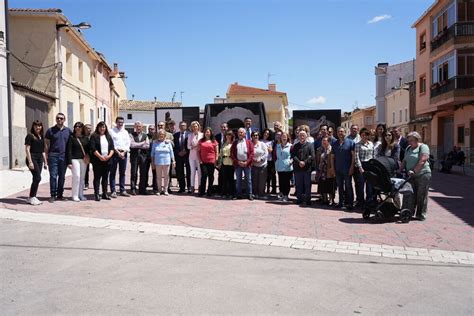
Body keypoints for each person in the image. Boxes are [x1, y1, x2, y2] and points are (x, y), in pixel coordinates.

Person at [400, 131, 431, 221]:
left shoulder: (423, 147)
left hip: (423, 174)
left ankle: (421, 214)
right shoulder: (408, 148)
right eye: (408, 140)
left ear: (417, 140)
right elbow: (404, 161)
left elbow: (423, 159)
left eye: (411, 140)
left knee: (421, 195)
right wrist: (399, 169)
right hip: (411, 175)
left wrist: (414, 170)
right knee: (409, 193)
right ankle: (408, 212)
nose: (409, 142)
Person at [45, 112, 72, 202]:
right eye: (58, 118)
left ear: (64, 120)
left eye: (61, 118)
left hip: (63, 157)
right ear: (56, 119)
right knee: (53, 176)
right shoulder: (50, 131)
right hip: (53, 156)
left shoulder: (68, 131)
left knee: (62, 177)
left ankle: (60, 195)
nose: (59, 120)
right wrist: (46, 159)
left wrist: (70, 160)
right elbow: (46, 145)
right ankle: (53, 195)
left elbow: (70, 146)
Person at [89, 121, 115, 201]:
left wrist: (109, 156)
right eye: (100, 127)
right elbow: (93, 148)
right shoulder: (94, 136)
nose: (102, 128)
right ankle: (96, 194)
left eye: (103, 127)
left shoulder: (108, 136)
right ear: (98, 128)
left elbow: (112, 148)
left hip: (107, 160)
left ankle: (104, 193)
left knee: (105, 177)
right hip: (97, 160)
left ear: (105, 128)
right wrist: (100, 156)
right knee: (97, 177)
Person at [24, 120, 48, 205]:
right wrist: (30, 162)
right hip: (32, 158)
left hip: (39, 159)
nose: (38, 127)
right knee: (38, 177)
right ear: (33, 127)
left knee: (36, 178)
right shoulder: (30, 136)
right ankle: (32, 197)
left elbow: (43, 151)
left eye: (39, 126)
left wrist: (45, 162)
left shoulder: (41, 136)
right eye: (36, 126)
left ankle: (32, 197)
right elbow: (27, 149)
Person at [333, 127, 355, 210]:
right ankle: (341, 203)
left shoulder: (351, 143)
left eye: (342, 131)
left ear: (345, 133)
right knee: (340, 186)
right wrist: (333, 168)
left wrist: (352, 167)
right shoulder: (335, 143)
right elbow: (332, 157)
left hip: (347, 168)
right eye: (339, 131)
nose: (340, 133)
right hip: (338, 169)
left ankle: (350, 203)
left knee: (348, 186)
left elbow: (353, 157)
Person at [67, 122, 90, 202]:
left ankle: (81, 194)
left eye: (79, 126)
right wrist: (69, 162)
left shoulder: (85, 138)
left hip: (83, 160)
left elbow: (88, 149)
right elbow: (69, 150)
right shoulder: (71, 137)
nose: (78, 128)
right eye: (76, 126)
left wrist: (88, 156)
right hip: (74, 159)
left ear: (82, 128)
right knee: (76, 176)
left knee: (82, 177)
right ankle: (75, 195)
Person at [291, 130, 315, 206]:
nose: (302, 137)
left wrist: (304, 162)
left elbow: (312, 156)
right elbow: (293, 155)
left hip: (307, 168)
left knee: (307, 185)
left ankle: (308, 199)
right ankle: (299, 199)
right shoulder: (295, 146)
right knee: (298, 185)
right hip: (298, 169)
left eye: (303, 135)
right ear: (298, 136)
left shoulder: (310, 145)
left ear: (306, 136)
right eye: (300, 135)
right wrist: (299, 162)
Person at [109, 116, 131, 197]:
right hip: (115, 154)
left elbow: (128, 143)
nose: (120, 124)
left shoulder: (125, 132)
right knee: (112, 173)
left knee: (122, 172)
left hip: (123, 154)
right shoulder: (111, 131)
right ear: (116, 122)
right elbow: (111, 143)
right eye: (119, 122)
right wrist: (118, 152)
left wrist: (124, 152)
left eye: (122, 122)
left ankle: (122, 190)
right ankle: (113, 191)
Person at [231, 127, 255, 200]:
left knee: (248, 180)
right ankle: (239, 194)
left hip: (247, 164)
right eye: (239, 132)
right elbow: (232, 154)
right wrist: (238, 162)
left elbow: (252, 153)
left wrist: (247, 162)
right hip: (238, 164)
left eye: (242, 132)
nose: (240, 134)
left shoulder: (249, 142)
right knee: (238, 180)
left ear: (245, 134)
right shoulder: (235, 143)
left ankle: (249, 194)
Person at [354, 128, 375, 209]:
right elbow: (356, 157)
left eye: (366, 135)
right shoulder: (357, 145)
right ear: (360, 135)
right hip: (361, 166)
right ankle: (361, 202)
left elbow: (373, 155)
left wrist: (373, 166)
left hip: (369, 166)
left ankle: (369, 202)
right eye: (363, 135)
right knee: (360, 185)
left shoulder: (371, 144)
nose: (364, 136)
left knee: (369, 185)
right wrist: (360, 167)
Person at [151, 129, 175, 196]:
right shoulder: (155, 143)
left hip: (167, 162)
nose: (161, 136)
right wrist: (152, 162)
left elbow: (171, 152)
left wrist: (173, 161)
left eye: (162, 134)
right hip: (158, 162)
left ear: (165, 135)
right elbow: (152, 154)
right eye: (160, 134)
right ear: (158, 135)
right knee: (158, 177)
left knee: (166, 176)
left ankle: (165, 190)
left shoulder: (168, 143)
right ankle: (159, 190)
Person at [129, 121, 150, 195]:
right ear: (135, 127)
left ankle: (142, 189)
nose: (138, 128)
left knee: (143, 173)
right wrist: (141, 143)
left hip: (143, 156)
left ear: (142, 127)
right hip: (134, 156)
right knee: (134, 173)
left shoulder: (145, 135)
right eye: (137, 126)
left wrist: (137, 144)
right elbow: (131, 145)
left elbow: (147, 146)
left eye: (140, 126)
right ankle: (133, 188)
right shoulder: (131, 135)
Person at [197, 127, 218, 196]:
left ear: (211, 133)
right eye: (206, 132)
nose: (207, 133)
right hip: (203, 161)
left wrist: (216, 160)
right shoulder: (201, 141)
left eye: (208, 132)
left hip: (212, 161)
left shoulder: (214, 141)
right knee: (204, 175)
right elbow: (198, 151)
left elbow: (217, 152)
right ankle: (202, 191)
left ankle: (209, 191)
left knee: (211, 176)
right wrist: (200, 160)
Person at [315, 136, 336, 206]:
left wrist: (332, 169)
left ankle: (331, 200)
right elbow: (317, 160)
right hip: (322, 170)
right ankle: (324, 199)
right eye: (322, 140)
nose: (324, 142)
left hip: (329, 169)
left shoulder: (332, 149)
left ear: (328, 141)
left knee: (330, 185)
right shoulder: (319, 150)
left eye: (325, 140)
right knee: (323, 185)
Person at [173, 121, 191, 193]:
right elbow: (174, 146)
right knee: (179, 172)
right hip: (178, 156)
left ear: (186, 127)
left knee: (189, 172)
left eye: (184, 125)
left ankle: (189, 187)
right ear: (179, 127)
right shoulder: (176, 135)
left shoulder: (189, 134)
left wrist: (185, 151)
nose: (182, 127)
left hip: (187, 155)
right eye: (181, 125)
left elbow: (190, 144)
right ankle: (182, 187)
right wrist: (178, 152)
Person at [251, 131, 269, 199]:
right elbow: (248, 153)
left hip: (263, 165)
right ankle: (255, 194)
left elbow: (266, 153)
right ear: (252, 136)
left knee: (262, 181)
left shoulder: (262, 144)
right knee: (254, 181)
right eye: (254, 135)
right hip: (254, 165)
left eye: (257, 135)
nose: (255, 136)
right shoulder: (250, 144)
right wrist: (253, 160)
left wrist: (261, 159)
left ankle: (261, 194)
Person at [275, 131, 293, 202]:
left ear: (287, 137)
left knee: (286, 182)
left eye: (285, 136)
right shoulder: (278, 146)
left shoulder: (291, 146)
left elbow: (293, 155)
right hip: (279, 166)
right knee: (281, 182)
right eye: (283, 136)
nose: (284, 137)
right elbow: (275, 155)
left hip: (287, 166)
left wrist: (291, 161)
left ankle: (286, 195)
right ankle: (282, 194)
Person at [158, 121, 174, 193]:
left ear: (164, 126)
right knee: (157, 175)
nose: (160, 126)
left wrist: (170, 141)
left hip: (167, 159)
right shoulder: (156, 134)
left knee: (167, 174)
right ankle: (158, 188)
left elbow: (173, 145)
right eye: (159, 125)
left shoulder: (170, 135)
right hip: (158, 159)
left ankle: (167, 188)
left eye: (161, 125)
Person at [218, 131, 236, 199]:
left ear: (232, 136)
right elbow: (221, 154)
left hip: (231, 163)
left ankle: (232, 193)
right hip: (224, 163)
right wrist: (219, 163)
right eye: (227, 135)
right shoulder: (224, 144)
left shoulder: (233, 144)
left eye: (230, 135)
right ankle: (224, 193)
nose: (228, 136)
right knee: (224, 179)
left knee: (231, 179)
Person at [187, 121, 203, 193]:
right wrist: (192, 147)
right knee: (192, 171)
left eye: (196, 126)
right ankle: (192, 186)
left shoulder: (202, 135)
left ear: (198, 127)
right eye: (193, 126)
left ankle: (200, 186)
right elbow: (188, 146)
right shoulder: (190, 135)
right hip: (192, 156)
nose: (195, 128)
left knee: (200, 171)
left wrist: (198, 147)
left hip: (200, 156)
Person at [215, 122, 229, 194]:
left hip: (228, 158)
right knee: (220, 175)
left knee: (228, 175)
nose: (224, 128)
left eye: (225, 127)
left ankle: (227, 190)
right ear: (220, 128)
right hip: (220, 158)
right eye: (222, 127)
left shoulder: (230, 136)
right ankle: (220, 190)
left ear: (227, 128)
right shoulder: (217, 136)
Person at [261, 128, 276, 194]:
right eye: (265, 133)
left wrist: (269, 149)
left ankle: (271, 189)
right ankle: (264, 188)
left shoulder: (271, 142)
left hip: (270, 160)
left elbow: (271, 150)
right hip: (262, 160)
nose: (266, 134)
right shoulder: (260, 141)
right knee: (264, 176)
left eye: (268, 133)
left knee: (271, 175)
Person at [145, 125, 158, 194]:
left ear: (155, 129)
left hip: (155, 157)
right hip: (146, 157)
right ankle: (144, 186)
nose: (151, 130)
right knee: (145, 172)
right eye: (149, 129)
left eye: (152, 129)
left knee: (155, 173)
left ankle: (155, 188)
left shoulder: (157, 137)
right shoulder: (145, 136)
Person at [83, 124, 93, 190]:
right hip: (85, 155)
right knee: (86, 170)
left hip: (93, 155)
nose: (88, 129)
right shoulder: (82, 136)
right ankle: (86, 184)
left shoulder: (94, 136)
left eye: (90, 128)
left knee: (97, 170)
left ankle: (97, 184)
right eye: (87, 128)